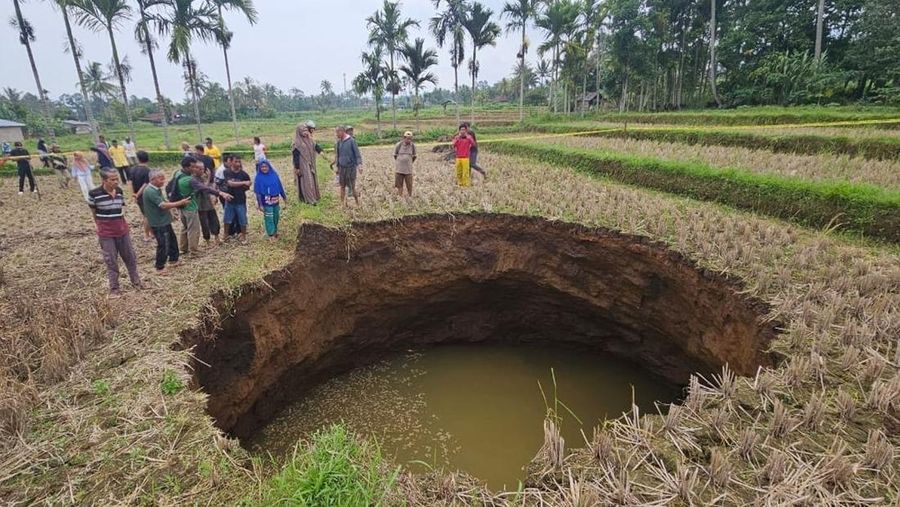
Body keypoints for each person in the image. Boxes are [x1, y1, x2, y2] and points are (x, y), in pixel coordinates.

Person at [88, 170, 142, 295]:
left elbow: (120, 210)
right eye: (112, 179)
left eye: (117, 179)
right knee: (111, 261)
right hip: (106, 233)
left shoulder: (119, 191)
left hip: (122, 230)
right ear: (104, 180)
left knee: (130, 257)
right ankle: (114, 288)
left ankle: (136, 282)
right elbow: (94, 212)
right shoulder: (94, 194)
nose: (116, 182)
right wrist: (100, 226)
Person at [170, 156, 233, 255]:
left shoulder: (178, 173)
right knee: (193, 229)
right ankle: (194, 250)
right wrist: (221, 193)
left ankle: (183, 248)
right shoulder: (189, 180)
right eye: (192, 167)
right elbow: (204, 188)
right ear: (186, 167)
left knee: (185, 227)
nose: (194, 169)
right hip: (190, 206)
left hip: (182, 205)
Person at [143, 169, 190, 274]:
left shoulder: (156, 189)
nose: (163, 181)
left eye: (163, 178)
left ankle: (174, 259)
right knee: (163, 244)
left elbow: (164, 201)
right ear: (153, 179)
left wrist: (172, 213)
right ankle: (159, 266)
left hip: (164, 220)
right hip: (158, 222)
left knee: (172, 240)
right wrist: (180, 203)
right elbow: (163, 205)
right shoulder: (150, 191)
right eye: (161, 179)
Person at [254, 159, 287, 240]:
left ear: (269, 167)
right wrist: (260, 204)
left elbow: (280, 187)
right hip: (266, 202)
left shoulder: (274, 175)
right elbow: (258, 192)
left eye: (265, 166)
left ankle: (275, 231)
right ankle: (271, 234)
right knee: (269, 217)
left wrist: (284, 197)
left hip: (276, 200)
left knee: (276, 216)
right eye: (262, 167)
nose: (264, 168)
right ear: (260, 168)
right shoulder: (258, 177)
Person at [223, 154, 251, 242]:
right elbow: (230, 183)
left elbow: (248, 186)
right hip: (230, 200)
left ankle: (243, 235)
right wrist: (243, 183)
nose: (238, 163)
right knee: (227, 219)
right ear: (231, 162)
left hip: (241, 200)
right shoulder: (227, 172)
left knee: (243, 219)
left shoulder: (244, 174)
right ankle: (225, 235)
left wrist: (243, 184)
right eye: (236, 161)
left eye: (239, 161)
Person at [292, 124, 320, 205]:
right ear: (299, 132)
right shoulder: (297, 143)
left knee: (312, 180)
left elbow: (316, 146)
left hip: (310, 164)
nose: (305, 132)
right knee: (307, 181)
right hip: (302, 165)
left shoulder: (310, 140)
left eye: (306, 130)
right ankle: (309, 199)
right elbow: (296, 156)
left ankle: (314, 196)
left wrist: (321, 152)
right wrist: (297, 168)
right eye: (303, 131)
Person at [334, 125, 363, 206]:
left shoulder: (351, 141)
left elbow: (357, 154)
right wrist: (337, 167)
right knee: (342, 186)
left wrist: (359, 165)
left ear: (342, 131)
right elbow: (338, 156)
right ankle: (342, 204)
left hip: (351, 168)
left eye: (337, 132)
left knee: (352, 187)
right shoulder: (338, 142)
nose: (336, 134)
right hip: (342, 168)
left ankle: (357, 203)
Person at [129, 151, 154, 242]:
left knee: (146, 214)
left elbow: (130, 182)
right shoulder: (147, 170)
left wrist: (133, 194)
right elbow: (145, 184)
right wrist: (137, 195)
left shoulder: (132, 169)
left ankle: (151, 233)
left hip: (138, 195)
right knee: (147, 216)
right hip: (145, 195)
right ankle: (147, 235)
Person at [393, 131, 417, 197]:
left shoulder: (413, 146)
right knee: (399, 185)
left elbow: (414, 156)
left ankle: (410, 196)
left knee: (409, 184)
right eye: (408, 138)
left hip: (408, 170)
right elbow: (395, 155)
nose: (409, 140)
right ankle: (400, 196)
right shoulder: (398, 145)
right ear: (404, 138)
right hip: (399, 169)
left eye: (410, 138)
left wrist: (409, 162)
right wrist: (400, 161)